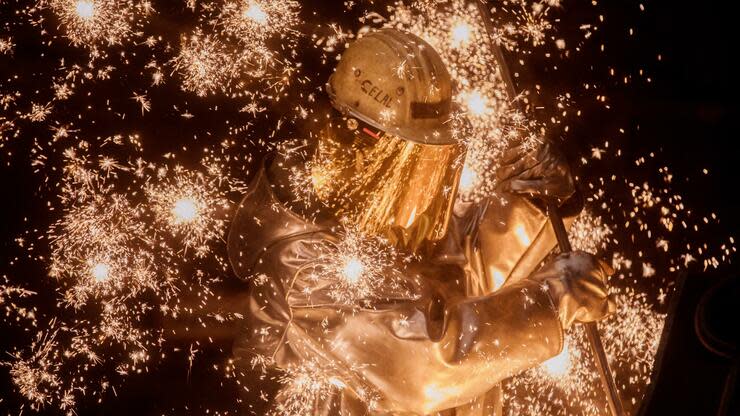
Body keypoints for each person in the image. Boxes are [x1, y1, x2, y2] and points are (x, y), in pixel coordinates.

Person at [227, 28, 615, 416]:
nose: (419, 177)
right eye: (410, 159)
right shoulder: (302, 266)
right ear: (360, 144)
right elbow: (425, 367)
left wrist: (531, 199)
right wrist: (552, 297)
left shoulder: (385, 221)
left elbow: (468, 277)